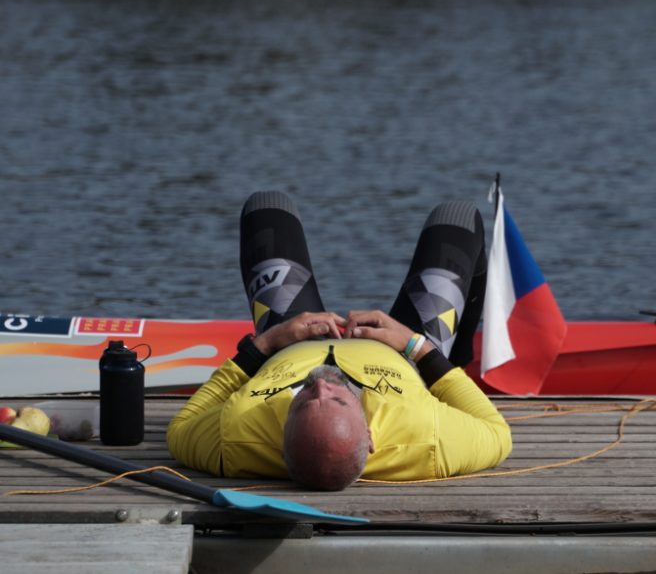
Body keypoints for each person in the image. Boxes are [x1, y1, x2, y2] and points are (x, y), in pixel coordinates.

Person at [166, 191, 512, 491]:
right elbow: (497, 433)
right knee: (457, 218)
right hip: (402, 352)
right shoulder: (427, 438)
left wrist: (267, 343)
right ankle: (459, 358)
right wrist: (419, 347)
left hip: (290, 339)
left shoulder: (235, 438)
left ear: (281, 437)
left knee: (266, 208)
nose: (321, 386)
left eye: (302, 403)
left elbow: (181, 427)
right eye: (340, 402)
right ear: (370, 437)